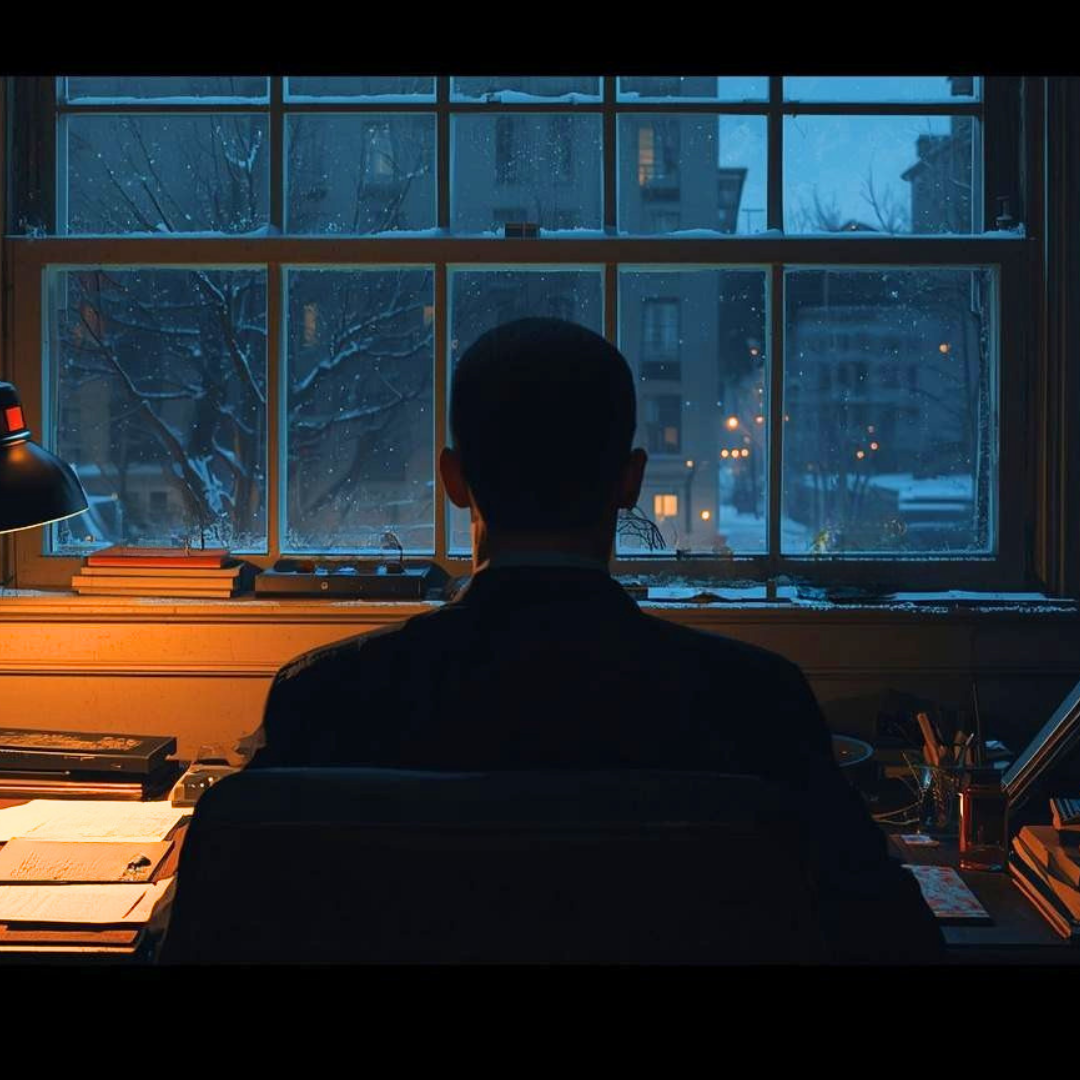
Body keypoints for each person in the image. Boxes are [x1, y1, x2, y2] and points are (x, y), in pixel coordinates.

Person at [247, 316, 944, 962]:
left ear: (455, 481)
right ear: (630, 482)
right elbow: (896, 940)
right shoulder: (757, 704)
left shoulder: (326, 701)